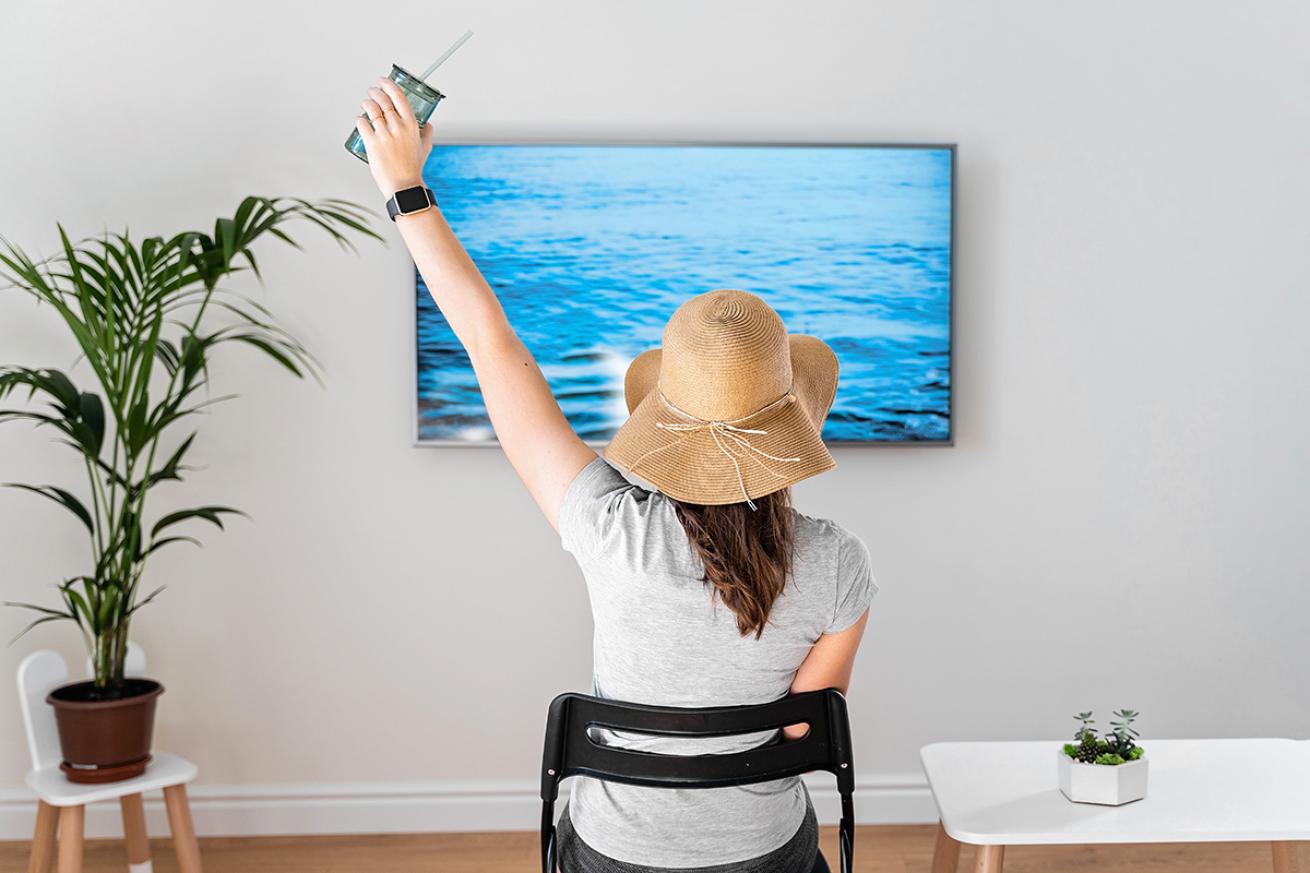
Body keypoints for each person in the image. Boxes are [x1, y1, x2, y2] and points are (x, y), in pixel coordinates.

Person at [355, 79, 876, 873]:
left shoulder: (609, 529)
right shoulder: (838, 562)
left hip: (615, 855)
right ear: (791, 420)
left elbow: (495, 350)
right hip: (764, 852)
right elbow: (802, 730)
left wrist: (405, 189)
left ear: (666, 415)